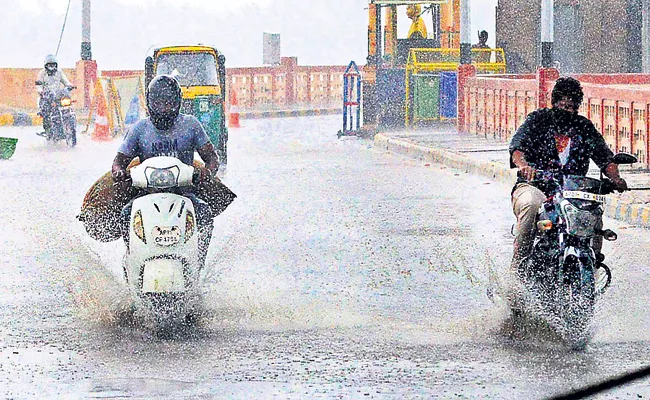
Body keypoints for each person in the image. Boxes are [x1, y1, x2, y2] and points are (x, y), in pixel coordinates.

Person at [509, 77, 628, 274]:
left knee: (594, 213)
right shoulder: (537, 121)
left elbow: (604, 157)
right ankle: (517, 270)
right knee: (530, 205)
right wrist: (524, 166)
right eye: (563, 103)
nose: (567, 108)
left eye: (572, 104)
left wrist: (615, 178)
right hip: (536, 187)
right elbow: (517, 147)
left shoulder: (584, 127)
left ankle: (592, 262)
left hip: (573, 192)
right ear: (554, 102)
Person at [111, 75, 220, 268]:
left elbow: (211, 158)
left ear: (178, 102)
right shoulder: (139, 129)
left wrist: (208, 172)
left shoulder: (191, 125)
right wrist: (119, 171)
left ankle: (198, 261)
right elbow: (119, 161)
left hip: (184, 192)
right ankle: (133, 258)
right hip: (146, 193)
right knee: (126, 214)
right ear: (149, 103)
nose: (163, 108)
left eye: (169, 102)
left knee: (204, 212)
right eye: (158, 102)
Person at [36, 54, 73, 133]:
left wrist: (69, 86)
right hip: (46, 96)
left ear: (56, 65)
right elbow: (39, 85)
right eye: (49, 65)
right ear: (46, 65)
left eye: (53, 64)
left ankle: (68, 123)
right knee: (45, 111)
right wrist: (40, 91)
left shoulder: (59, 72)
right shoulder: (42, 73)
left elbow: (66, 81)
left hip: (57, 95)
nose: (51, 67)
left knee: (67, 106)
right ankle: (48, 130)